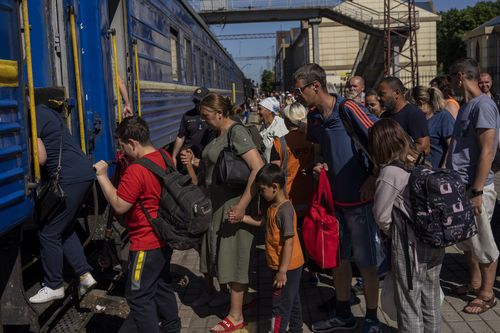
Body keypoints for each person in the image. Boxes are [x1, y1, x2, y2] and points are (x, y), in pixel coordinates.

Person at [293, 63, 384, 333]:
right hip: (333, 205)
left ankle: (371, 319)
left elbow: (385, 140)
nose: (297, 96)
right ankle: (343, 314)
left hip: (361, 203)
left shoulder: (348, 108)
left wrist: (373, 177)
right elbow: (319, 148)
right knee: (339, 261)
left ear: (315, 86)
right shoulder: (314, 117)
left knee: (368, 264)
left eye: (300, 90)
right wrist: (319, 164)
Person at [93, 117, 181, 332]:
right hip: (163, 237)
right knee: (161, 286)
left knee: (139, 296)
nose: (122, 153)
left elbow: (120, 205)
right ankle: (172, 328)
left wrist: (102, 177)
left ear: (132, 143)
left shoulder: (136, 170)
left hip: (145, 243)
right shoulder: (164, 156)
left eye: (123, 147)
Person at [196, 94, 264, 332]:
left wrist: (243, 205)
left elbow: (258, 167)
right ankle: (241, 301)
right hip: (220, 205)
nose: (203, 120)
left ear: (219, 113)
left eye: (206, 116)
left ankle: (235, 316)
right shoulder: (220, 134)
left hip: (233, 205)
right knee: (226, 255)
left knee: (235, 257)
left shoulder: (236, 132)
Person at [370, 119, 445, 333]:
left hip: (408, 244)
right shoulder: (420, 162)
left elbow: (382, 216)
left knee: (409, 303)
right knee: (430, 298)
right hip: (434, 239)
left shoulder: (389, 173)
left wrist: (391, 234)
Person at [29, 88, 96, 304]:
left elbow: (40, 158)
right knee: (64, 227)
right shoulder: (47, 113)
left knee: (48, 232)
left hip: (68, 177)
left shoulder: (34, 115)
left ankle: (54, 285)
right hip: (82, 172)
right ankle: (84, 275)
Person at [446, 58, 500, 314]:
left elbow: (488, 150)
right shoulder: (468, 106)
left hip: (475, 188)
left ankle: (487, 294)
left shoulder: (484, 106)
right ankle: (475, 283)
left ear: (459, 77)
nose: (450, 86)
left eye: (450, 80)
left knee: (484, 242)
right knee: (470, 241)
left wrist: (477, 190)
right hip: (462, 185)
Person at [238, 164, 304, 333]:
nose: (260, 193)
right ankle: (296, 329)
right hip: (283, 266)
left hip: (287, 267)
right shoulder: (273, 207)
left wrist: (282, 271)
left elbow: (289, 242)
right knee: (292, 299)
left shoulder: (285, 210)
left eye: (261, 190)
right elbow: (264, 223)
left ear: (274, 187)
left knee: (279, 306)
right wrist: (242, 218)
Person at [378, 77, 431, 155]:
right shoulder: (384, 116)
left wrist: (397, 152)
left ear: (396, 93)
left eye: (383, 94)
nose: (379, 98)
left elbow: (424, 148)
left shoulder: (413, 114)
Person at [407, 86, 455, 168]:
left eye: (410, 106)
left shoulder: (443, 117)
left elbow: (452, 145)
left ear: (420, 103)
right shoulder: (416, 119)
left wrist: (444, 168)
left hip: (437, 173)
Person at [171, 87, 212, 168]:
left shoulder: (211, 116)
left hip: (206, 154)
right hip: (189, 154)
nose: (197, 104)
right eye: (195, 101)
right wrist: (174, 156)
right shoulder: (187, 115)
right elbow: (180, 137)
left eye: (199, 101)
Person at [258, 97, 289, 162]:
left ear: (269, 110)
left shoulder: (280, 126)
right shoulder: (263, 126)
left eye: (260, 109)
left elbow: (283, 152)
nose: (258, 112)